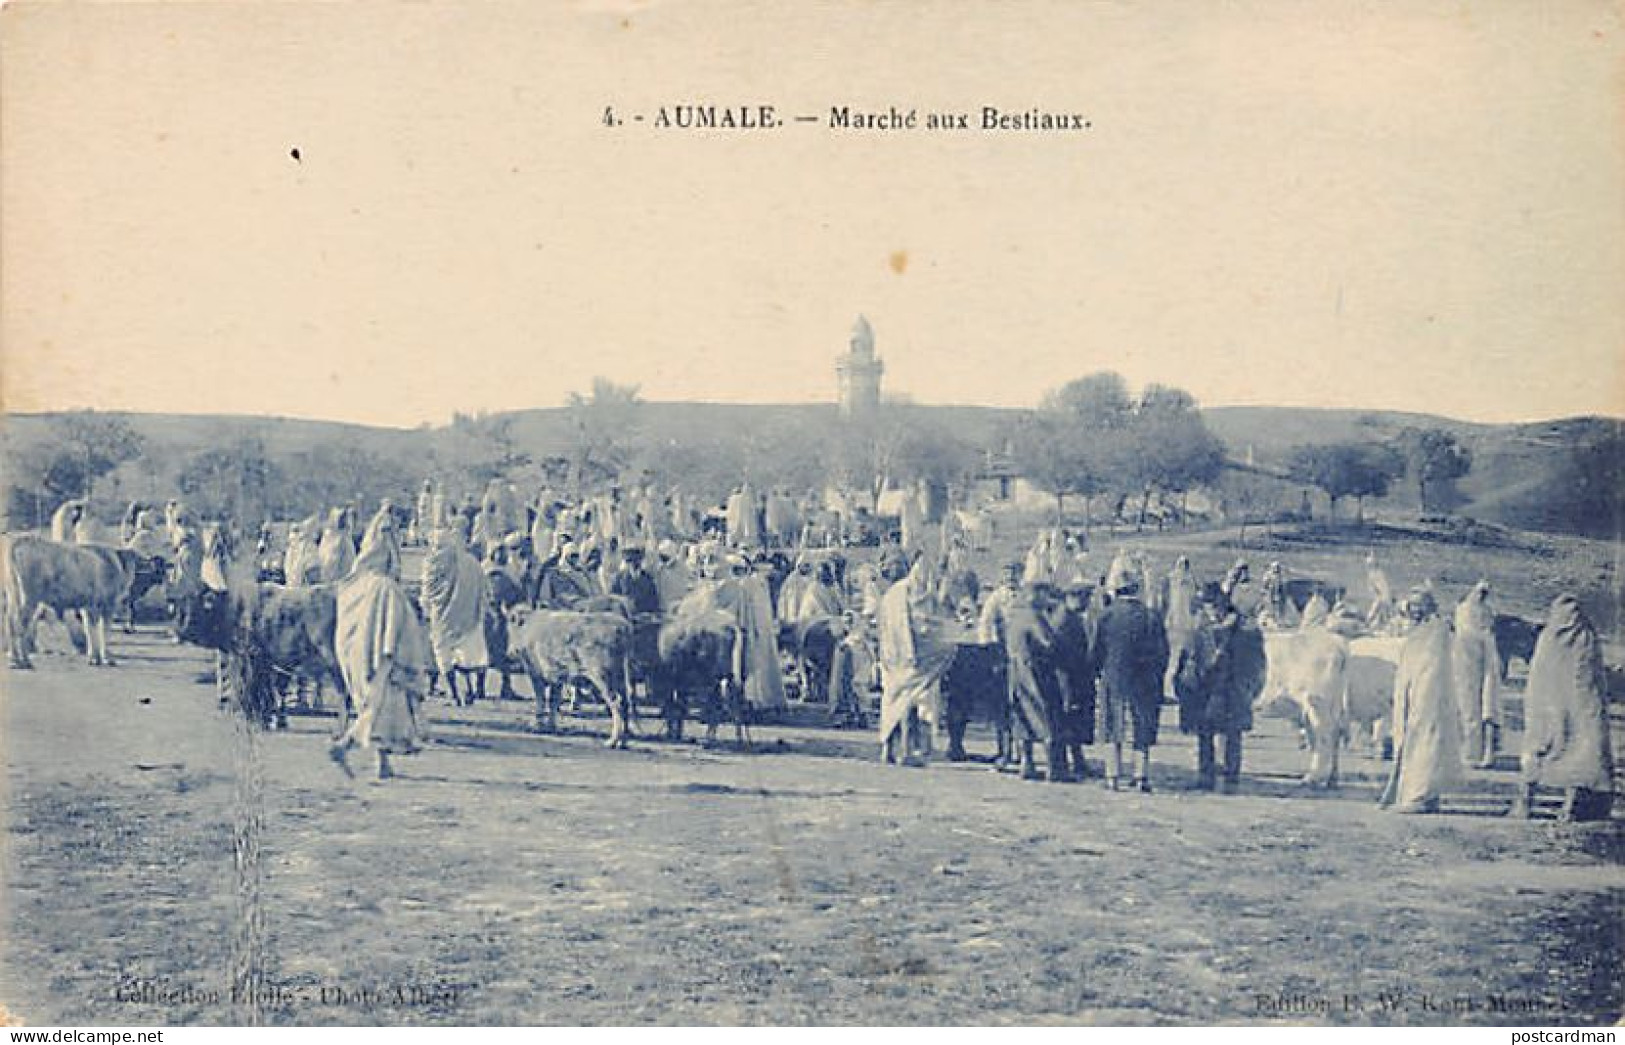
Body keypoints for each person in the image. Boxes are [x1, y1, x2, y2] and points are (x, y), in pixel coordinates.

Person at [331, 509, 430, 781]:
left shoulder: (356, 585)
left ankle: (380, 763)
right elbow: (394, 626)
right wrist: (395, 654)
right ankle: (347, 748)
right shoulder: (385, 588)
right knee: (380, 713)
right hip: (385, 660)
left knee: (374, 711)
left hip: (361, 659)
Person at [1512, 595, 1614, 821]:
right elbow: (1592, 684)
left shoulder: (1550, 638)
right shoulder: (1585, 638)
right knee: (1577, 749)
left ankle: (1530, 805)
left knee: (1545, 751)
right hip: (1572, 712)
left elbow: (1538, 682)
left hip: (1551, 713)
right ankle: (1564, 807)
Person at [1378, 590, 1462, 814]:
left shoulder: (1435, 631)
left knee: (1424, 743)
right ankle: (1425, 794)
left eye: (1418, 606)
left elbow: (1431, 667)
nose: (1413, 611)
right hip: (1413, 695)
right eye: (1411, 607)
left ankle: (1419, 796)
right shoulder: (1419, 632)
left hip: (1428, 697)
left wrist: (1419, 698)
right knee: (1415, 743)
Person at [1176, 583, 1266, 791]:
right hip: (1220, 693)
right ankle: (1220, 777)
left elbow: (1256, 667)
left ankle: (1220, 777)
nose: (1207, 611)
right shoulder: (1243, 632)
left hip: (1223, 692)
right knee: (1215, 735)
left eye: (1209, 605)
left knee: (1222, 736)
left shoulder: (1239, 633)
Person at [1093, 570, 1169, 792]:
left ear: (1116, 591)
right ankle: (1141, 776)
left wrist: (1098, 671)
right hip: (1146, 679)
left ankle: (1112, 776)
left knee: (1113, 726)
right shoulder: (1152, 616)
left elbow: (1096, 649)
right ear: (1137, 590)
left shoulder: (1107, 615)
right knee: (1142, 725)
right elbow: (1164, 652)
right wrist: (1158, 675)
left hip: (1114, 677)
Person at [877, 559, 954, 766]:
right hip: (908, 660)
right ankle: (905, 751)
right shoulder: (905, 595)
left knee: (895, 702)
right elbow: (922, 628)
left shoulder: (896, 593)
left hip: (893, 658)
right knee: (906, 704)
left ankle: (892, 750)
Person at [421, 519, 492, 704]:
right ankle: (472, 689)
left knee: (444, 653)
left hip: (442, 618)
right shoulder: (472, 562)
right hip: (469, 617)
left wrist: (426, 608)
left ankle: (454, 694)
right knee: (469, 655)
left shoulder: (432, 564)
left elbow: (428, 592)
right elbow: (484, 590)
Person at [1003, 583, 1066, 781]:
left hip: (1014, 671)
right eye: (1044, 595)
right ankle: (1052, 768)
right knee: (1044, 715)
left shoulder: (1013, 616)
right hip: (1034, 672)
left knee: (1021, 718)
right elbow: (1048, 643)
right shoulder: (1033, 616)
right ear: (1035, 596)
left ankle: (1026, 764)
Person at [1452, 581, 1502, 768]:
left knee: (1483, 708)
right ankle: (1470, 752)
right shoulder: (1465, 612)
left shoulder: (1484, 616)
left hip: (1482, 665)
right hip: (1466, 665)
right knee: (1469, 708)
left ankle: (1479, 752)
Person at [1050, 585, 1096, 780]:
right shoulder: (1064, 620)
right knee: (1065, 719)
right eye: (1084, 598)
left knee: (1072, 721)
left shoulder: (1071, 618)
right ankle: (1065, 765)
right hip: (1067, 679)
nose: (1087, 603)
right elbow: (1064, 656)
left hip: (1074, 678)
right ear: (1073, 598)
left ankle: (1077, 761)